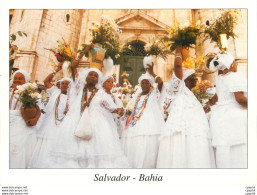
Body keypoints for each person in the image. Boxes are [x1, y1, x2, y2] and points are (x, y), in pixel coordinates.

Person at [157, 46, 215, 168]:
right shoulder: (178, 87)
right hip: (181, 128)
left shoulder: (191, 94)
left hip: (195, 131)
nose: (195, 79)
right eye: (192, 77)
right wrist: (178, 51)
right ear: (185, 80)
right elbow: (178, 68)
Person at [74, 73, 130, 168]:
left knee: (97, 148)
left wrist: (118, 110)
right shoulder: (80, 90)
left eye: (95, 76)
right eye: (90, 75)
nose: (93, 77)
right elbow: (74, 77)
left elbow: (110, 106)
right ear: (86, 77)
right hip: (80, 121)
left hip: (97, 123)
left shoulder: (100, 93)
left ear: (98, 80)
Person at [206, 53, 247, 168]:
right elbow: (240, 99)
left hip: (219, 116)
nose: (236, 65)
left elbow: (218, 98)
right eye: (234, 62)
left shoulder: (219, 79)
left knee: (224, 148)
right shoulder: (236, 76)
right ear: (230, 64)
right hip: (233, 115)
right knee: (238, 147)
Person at [120, 62, 165, 168]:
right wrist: (126, 112)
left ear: (150, 84)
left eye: (146, 83)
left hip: (150, 124)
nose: (144, 85)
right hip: (134, 125)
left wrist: (153, 73)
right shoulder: (136, 96)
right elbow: (129, 108)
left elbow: (161, 83)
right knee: (135, 146)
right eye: (142, 83)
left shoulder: (154, 94)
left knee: (148, 145)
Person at [29, 77, 79, 168]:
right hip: (51, 125)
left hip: (66, 126)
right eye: (63, 83)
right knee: (47, 145)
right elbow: (46, 81)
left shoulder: (74, 97)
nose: (65, 85)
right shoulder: (55, 92)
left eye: (67, 84)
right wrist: (56, 70)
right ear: (60, 85)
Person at [9, 69, 41, 168]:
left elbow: (38, 110)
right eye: (16, 78)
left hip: (22, 123)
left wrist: (35, 119)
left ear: (25, 81)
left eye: (20, 78)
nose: (17, 80)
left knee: (19, 147)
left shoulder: (28, 94)